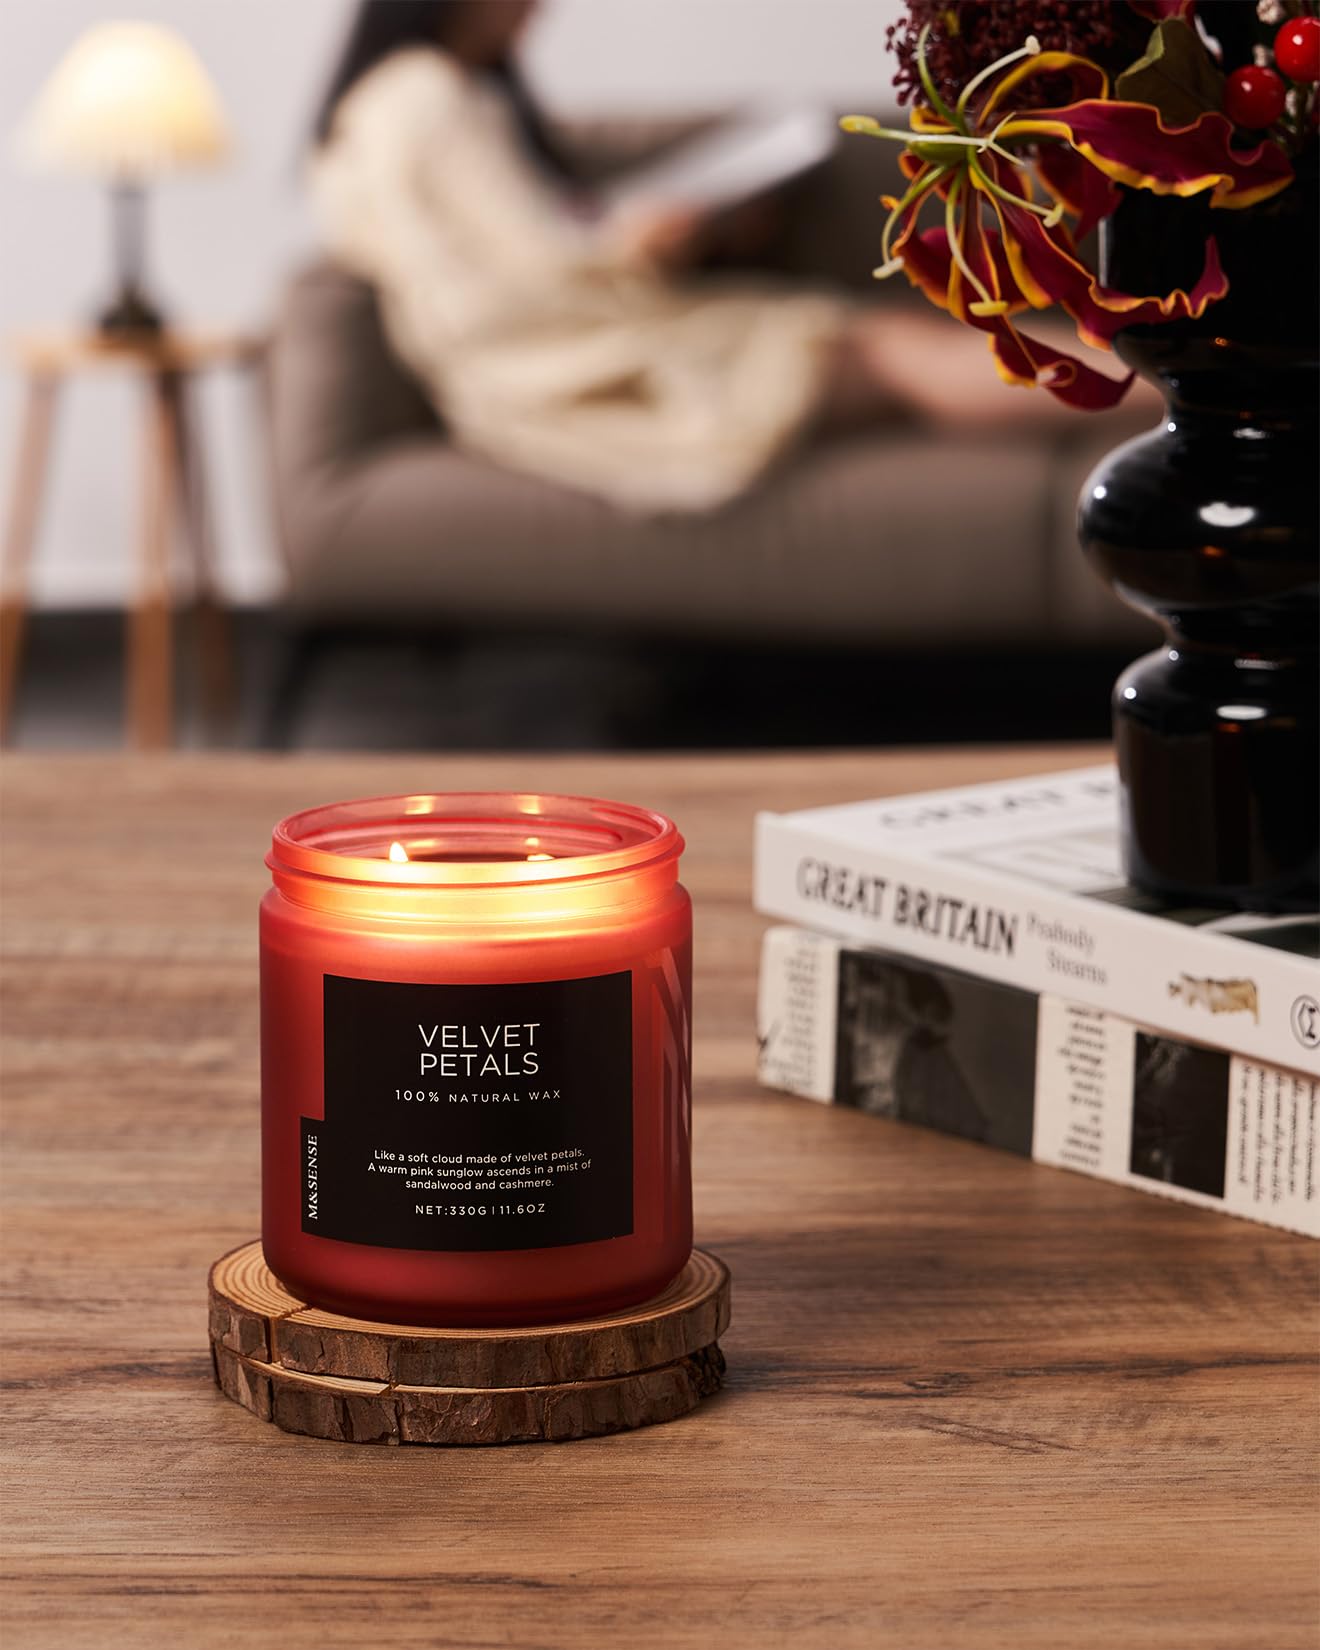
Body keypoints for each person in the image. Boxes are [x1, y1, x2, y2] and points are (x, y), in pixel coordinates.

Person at [307, 0, 1078, 515]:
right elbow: (519, 274)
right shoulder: (424, 97)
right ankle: (1174, 383)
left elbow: (522, 238)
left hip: (581, 331)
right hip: (563, 359)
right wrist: (632, 248)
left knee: (901, 339)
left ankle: (1163, 378)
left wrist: (666, 237)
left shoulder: (434, 96)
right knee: (898, 351)